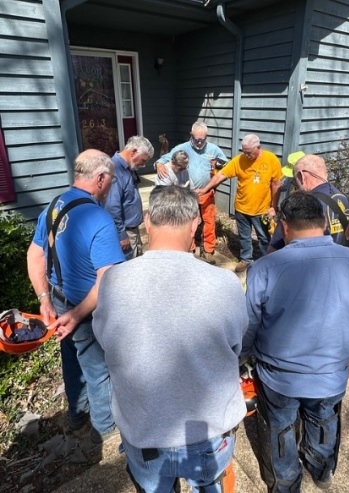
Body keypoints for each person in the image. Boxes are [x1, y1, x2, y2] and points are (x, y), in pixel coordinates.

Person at [93, 185, 248, 492]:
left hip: (144, 431)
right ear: (194, 225)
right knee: (212, 485)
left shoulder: (113, 280)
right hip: (209, 431)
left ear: (148, 221)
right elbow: (236, 345)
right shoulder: (225, 283)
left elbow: (105, 342)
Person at [242, 191, 349, 492]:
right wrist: (341, 347)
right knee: (323, 419)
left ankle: (285, 483)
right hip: (332, 373)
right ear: (323, 223)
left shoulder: (265, 268)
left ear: (283, 225)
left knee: (280, 428)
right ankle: (321, 469)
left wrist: (243, 356)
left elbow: (248, 328)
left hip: (279, 378)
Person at [27, 149, 125, 443]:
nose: (110, 188)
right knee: (99, 369)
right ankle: (104, 429)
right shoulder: (99, 219)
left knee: (70, 357)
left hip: (58, 300)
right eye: (110, 181)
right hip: (86, 310)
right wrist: (78, 314)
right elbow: (108, 280)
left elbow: (35, 255)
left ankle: (76, 413)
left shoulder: (54, 206)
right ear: (99, 178)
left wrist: (45, 299)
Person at [196, 134, 283, 273]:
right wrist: (205, 189)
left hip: (261, 210)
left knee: (263, 237)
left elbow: (276, 184)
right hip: (241, 207)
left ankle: (264, 263)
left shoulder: (271, 159)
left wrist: (274, 207)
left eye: (249, 152)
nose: (246, 155)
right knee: (244, 235)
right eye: (244, 151)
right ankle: (245, 259)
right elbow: (221, 175)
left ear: (258, 148)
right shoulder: (239, 160)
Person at [155, 121, 228, 264]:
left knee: (209, 221)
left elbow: (224, 165)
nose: (200, 142)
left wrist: (217, 170)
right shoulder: (182, 148)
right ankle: (190, 248)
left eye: (203, 139)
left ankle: (208, 250)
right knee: (189, 221)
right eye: (196, 139)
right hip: (188, 193)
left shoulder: (213, 149)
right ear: (191, 136)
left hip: (206, 192)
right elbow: (165, 158)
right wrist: (158, 164)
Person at [269, 154, 349, 252]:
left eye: (295, 181)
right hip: (346, 264)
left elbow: (274, 252)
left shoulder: (301, 206)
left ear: (301, 176)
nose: (296, 185)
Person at [103, 135, 154, 260]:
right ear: (133, 152)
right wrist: (121, 235)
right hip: (125, 232)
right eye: (143, 160)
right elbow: (111, 207)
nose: (143, 165)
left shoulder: (127, 168)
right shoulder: (115, 170)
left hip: (132, 230)